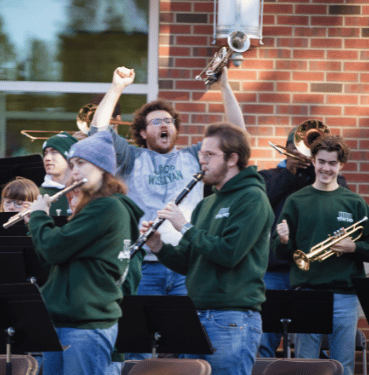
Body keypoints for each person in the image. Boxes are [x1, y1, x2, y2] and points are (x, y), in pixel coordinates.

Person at [89, 66, 246, 303]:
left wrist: (224, 86)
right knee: (144, 334)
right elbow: (97, 134)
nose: (164, 125)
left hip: (187, 265)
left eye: (168, 121)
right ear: (142, 132)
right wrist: (117, 88)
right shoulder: (131, 157)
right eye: (156, 122)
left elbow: (238, 136)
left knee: (185, 336)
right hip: (144, 266)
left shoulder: (196, 155)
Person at [141, 123, 274, 375]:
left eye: (209, 155)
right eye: (201, 154)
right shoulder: (207, 203)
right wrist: (158, 246)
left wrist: (185, 227)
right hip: (196, 314)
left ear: (233, 159)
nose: (202, 161)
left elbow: (228, 254)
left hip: (231, 318)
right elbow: (187, 261)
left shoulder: (252, 198)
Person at [27, 131, 143, 375]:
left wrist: (39, 216)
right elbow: (56, 257)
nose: (74, 171)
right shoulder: (90, 208)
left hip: (86, 325)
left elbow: (53, 248)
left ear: (102, 167)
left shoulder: (107, 207)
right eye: (72, 165)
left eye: (80, 163)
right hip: (65, 322)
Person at [272, 135, 369, 375]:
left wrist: (354, 247)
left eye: (332, 163)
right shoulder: (296, 200)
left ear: (341, 165)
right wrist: (283, 240)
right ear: (313, 161)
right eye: (321, 161)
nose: (326, 168)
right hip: (308, 292)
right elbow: (282, 253)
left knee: (343, 365)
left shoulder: (354, 202)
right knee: (306, 365)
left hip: (345, 296)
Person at [257, 121, 349, 358]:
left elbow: (339, 197)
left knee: (308, 346)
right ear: (289, 147)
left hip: (311, 274)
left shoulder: (325, 176)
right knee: (264, 341)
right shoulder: (268, 176)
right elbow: (261, 202)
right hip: (274, 271)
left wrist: (312, 172)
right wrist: (289, 172)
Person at [39, 131, 78, 216]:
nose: (47, 158)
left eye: (54, 152)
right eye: (45, 153)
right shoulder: (37, 194)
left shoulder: (85, 191)